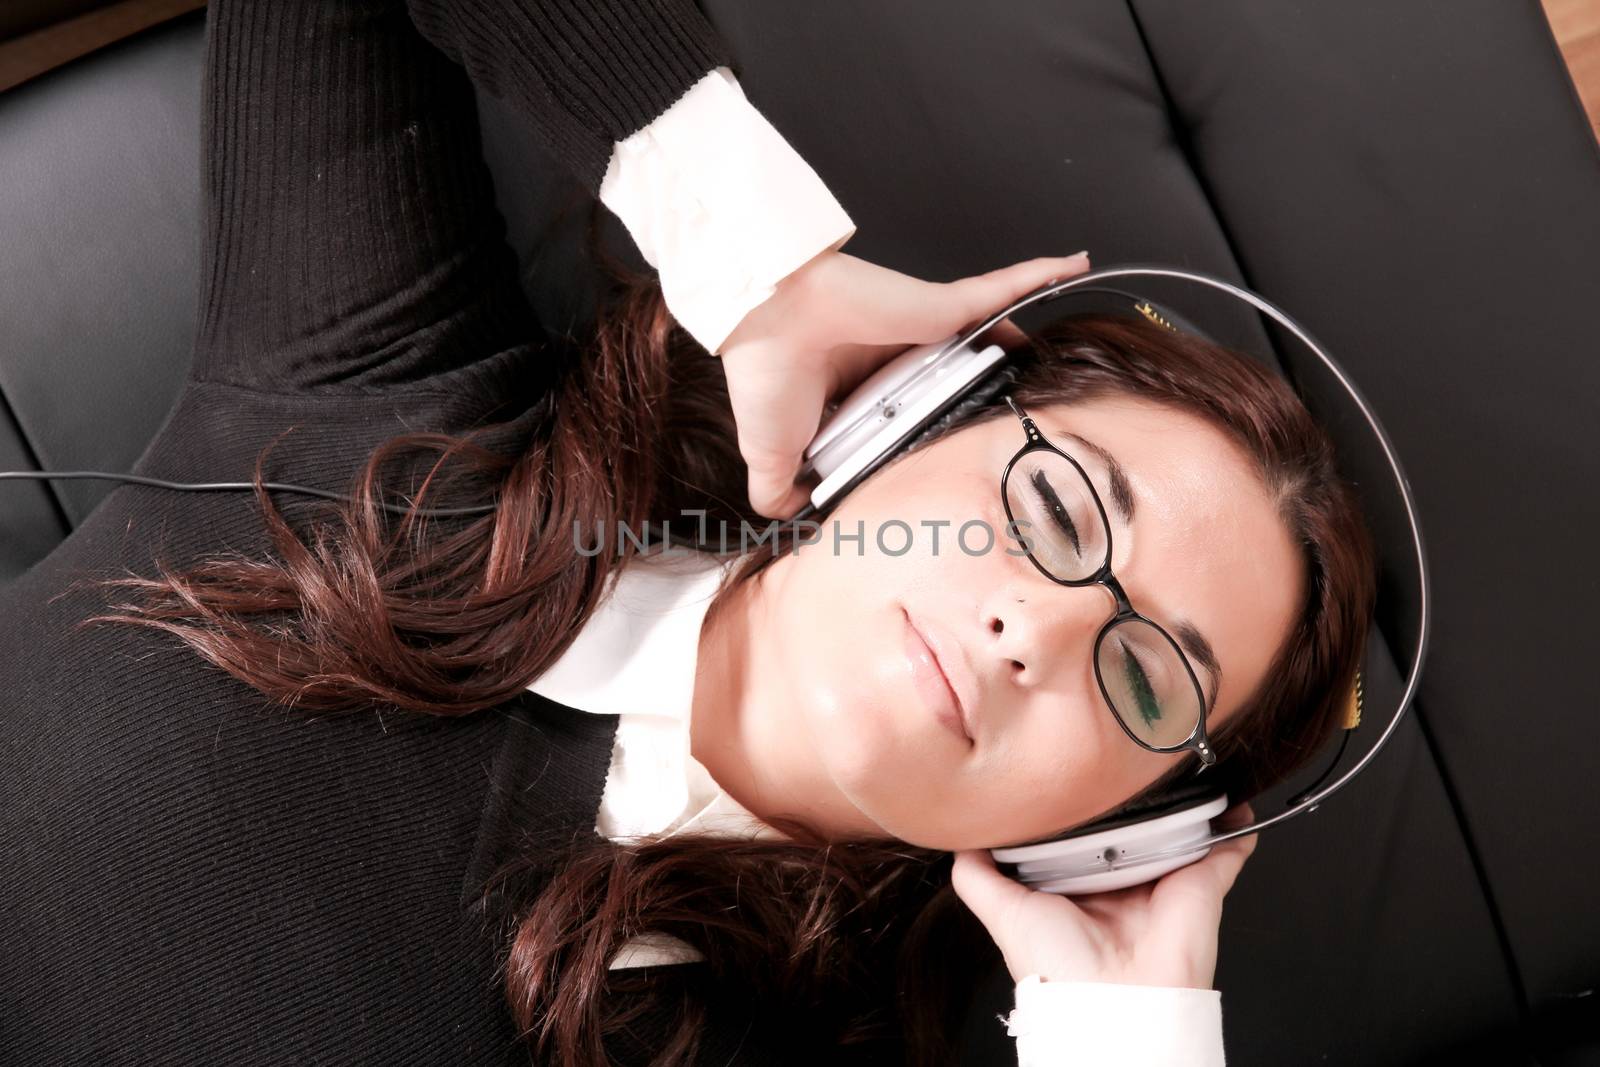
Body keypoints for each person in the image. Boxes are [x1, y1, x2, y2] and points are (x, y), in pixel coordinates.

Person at [0, 0, 1374, 1064]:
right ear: (907, 411)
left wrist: (1123, 1045)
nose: (1044, 630)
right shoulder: (385, 409)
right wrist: (753, 255)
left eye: (1145, 682)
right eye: (1058, 508)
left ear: (1111, 836)